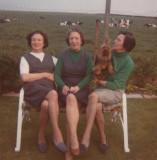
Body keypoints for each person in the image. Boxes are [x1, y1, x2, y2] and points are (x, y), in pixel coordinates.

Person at [80, 31, 136, 155]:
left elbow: (117, 85)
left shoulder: (128, 63)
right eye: (116, 39)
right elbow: (96, 67)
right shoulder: (108, 52)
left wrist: (100, 81)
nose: (114, 41)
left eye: (118, 40)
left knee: (93, 96)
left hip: (115, 92)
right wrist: (96, 75)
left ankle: (86, 136)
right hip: (102, 90)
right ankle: (103, 139)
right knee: (97, 106)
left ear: (126, 46)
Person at [19, 30, 67, 153]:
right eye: (33, 40)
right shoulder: (25, 58)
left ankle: (41, 136)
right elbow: (25, 77)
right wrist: (45, 74)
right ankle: (57, 134)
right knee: (53, 93)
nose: (36, 42)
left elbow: (65, 69)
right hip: (32, 90)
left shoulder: (51, 58)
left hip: (48, 93)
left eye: (39, 40)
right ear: (30, 42)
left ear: (44, 42)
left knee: (46, 104)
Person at [54, 28, 93, 159]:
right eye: (71, 38)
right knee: (70, 98)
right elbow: (56, 75)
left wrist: (79, 86)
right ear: (68, 40)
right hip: (65, 89)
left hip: (80, 89)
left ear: (81, 40)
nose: (74, 41)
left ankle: (70, 147)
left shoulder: (87, 56)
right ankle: (74, 142)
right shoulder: (63, 55)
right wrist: (62, 86)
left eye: (76, 38)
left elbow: (88, 76)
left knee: (72, 100)